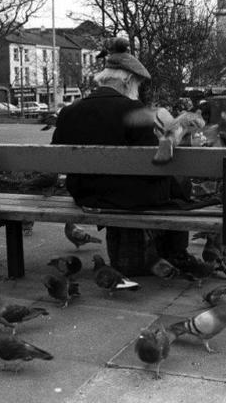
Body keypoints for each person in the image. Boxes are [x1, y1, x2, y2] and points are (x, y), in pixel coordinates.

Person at [51, 37, 191, 276]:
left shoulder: (68, 112)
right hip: (130, 198)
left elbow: (56, 156)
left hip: (85, 194)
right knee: (180, 181)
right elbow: (156, 163)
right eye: (137, 84)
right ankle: (176, 252)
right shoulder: (136, 111)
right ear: (128, 81)